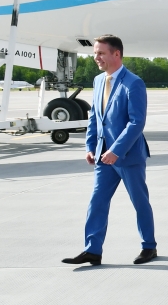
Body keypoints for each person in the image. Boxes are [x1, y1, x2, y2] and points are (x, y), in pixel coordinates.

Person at [63, 35, 157, 267]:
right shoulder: (98, 81)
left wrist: (116, 150)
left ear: (117, 54)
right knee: (97, 202)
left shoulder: (133, 83)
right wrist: (90, 147)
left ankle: (149, 246)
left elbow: (136, 122)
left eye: (101, 53)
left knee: (139, 202)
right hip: (103, 156)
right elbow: (95, 117)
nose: (96, 57)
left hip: (128, 156)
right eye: (95, 53)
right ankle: (92, 250)